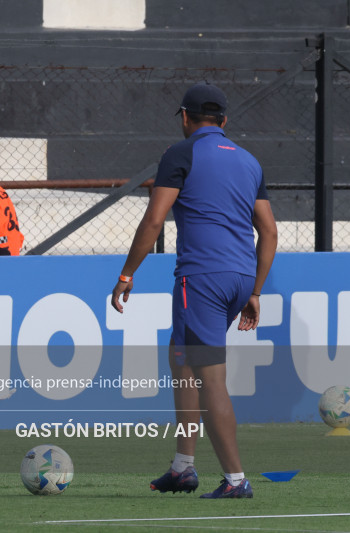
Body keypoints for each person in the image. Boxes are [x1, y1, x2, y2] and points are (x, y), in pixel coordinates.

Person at [110, 83, 277, 499]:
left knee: (209, 378)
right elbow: (269, 232)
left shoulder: (180, 153)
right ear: (225, 120)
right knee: (182, 362)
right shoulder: (249, 161)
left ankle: (236, 480)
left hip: (201, 280)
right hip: (238, 279)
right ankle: (183, 467)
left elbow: (154, 220)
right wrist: (254, 290)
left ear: (185, 117)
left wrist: (127, 273)